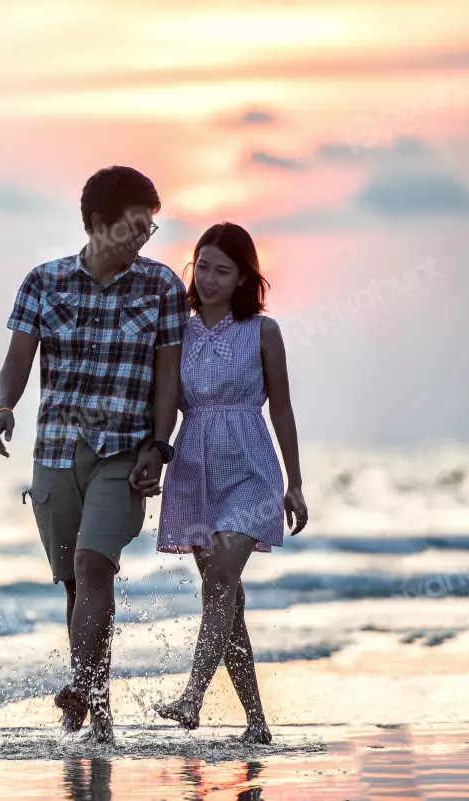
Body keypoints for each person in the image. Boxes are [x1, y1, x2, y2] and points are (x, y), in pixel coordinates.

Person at [0, 166, 189, 743]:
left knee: (93, 564)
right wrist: (4, 408)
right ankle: (97, 708)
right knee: (77, 585)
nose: (143, 239)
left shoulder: (160, 287)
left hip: (123, 452)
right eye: (134, 228)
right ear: (100, 223)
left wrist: (159, 444)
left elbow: (168, 378)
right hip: (55, 449)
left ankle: (82, 688)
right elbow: (17, 361)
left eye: (150, 229)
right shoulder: (43, 282)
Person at [153, 222, 309, 744]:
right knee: (226, 600)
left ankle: (191, 698)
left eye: (224, 270)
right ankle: (258, 725)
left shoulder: (264, 332)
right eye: (203, 266)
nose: (211, 277)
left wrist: (296, 481)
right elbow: (166, 402)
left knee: (220, 579)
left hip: (251, 469)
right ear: (192, 267)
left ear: (244, 277)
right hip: (194, 471)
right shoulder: (179, 329)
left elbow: (282, 407)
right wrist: (150, 456)